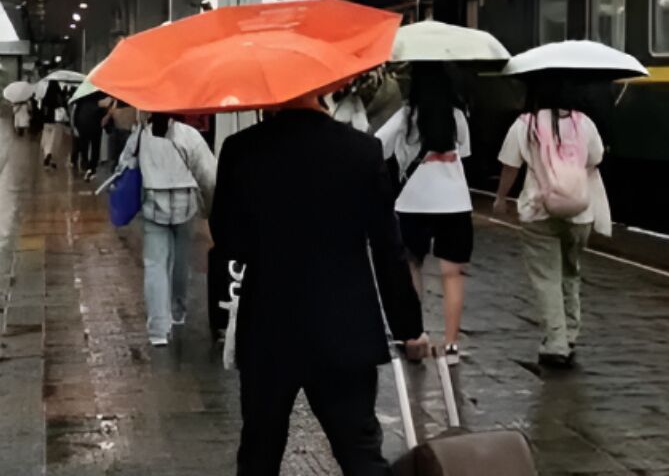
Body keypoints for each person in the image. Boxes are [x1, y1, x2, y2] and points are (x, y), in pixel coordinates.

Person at [211, 93, 422, 476]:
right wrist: (409, 326)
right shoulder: (361, 151)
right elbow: (388, 246)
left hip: (269, 326)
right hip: (344, 325)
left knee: (259, 450)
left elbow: (229, 244)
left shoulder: (241, 150)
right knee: (360, 452)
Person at [493, 77, 609, 369]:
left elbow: (510, 166)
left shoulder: (525, 124)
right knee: (571, 271)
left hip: (538, 210)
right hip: (579, 212)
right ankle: (570, 333)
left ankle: (556, 343)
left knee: (546, 278)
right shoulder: (584, 123)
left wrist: (500, 198)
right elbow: (595, 160)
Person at [375, 62, 473, 366]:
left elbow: (377, 143)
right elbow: (464, 153)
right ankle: (452, 346)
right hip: (454, 202)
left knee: (413, 268)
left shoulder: (406, 116)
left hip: (413, 201)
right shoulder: (457, 116)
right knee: (452, 275)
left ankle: (415, 338)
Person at [118, 113, 217, 347]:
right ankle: (178, 310)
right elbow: (209, 176)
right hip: (185, 205)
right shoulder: (188, 135)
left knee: (155, 265)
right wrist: (210, 208)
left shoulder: (141, 135)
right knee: (181, 260)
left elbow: (124, 165)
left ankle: (158, 330)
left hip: (153, 204)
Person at [71, 92, 108, 180]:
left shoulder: (82, 97)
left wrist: (75, 126)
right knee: (95, 146)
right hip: (95, 125)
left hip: (83, 124)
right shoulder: (100, 96)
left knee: (84, 145)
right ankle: (92, 166)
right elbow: (103, 111)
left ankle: (85, 164)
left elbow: (76, 112)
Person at [39, 82, 68, 170]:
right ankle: (50, 157)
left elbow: (41, 110)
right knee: (54, 141)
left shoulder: (45, 98)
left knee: (47, 140)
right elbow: (63, 106)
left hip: (46, 122)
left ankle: (47, 156)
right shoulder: (58, 97)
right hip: (56, 121)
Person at [102, 98, 137, 168]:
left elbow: (103, 122)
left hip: (117, 133)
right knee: (125, 158)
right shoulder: (134, 107)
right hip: (127, 133)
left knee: (116, 159)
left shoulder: (114, 108)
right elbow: (137, 122)